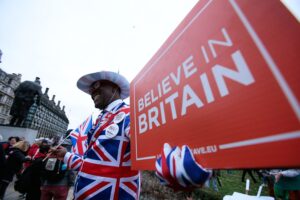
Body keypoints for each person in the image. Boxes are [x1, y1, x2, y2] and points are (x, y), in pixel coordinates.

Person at [51, 71, 140, 199]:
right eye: (91, 90)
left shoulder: (129, 114)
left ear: (114, 88)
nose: (92, 92)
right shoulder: (101, 119)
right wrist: (65, 155)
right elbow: (90, 166)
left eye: (98, 86)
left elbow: (152, 148)